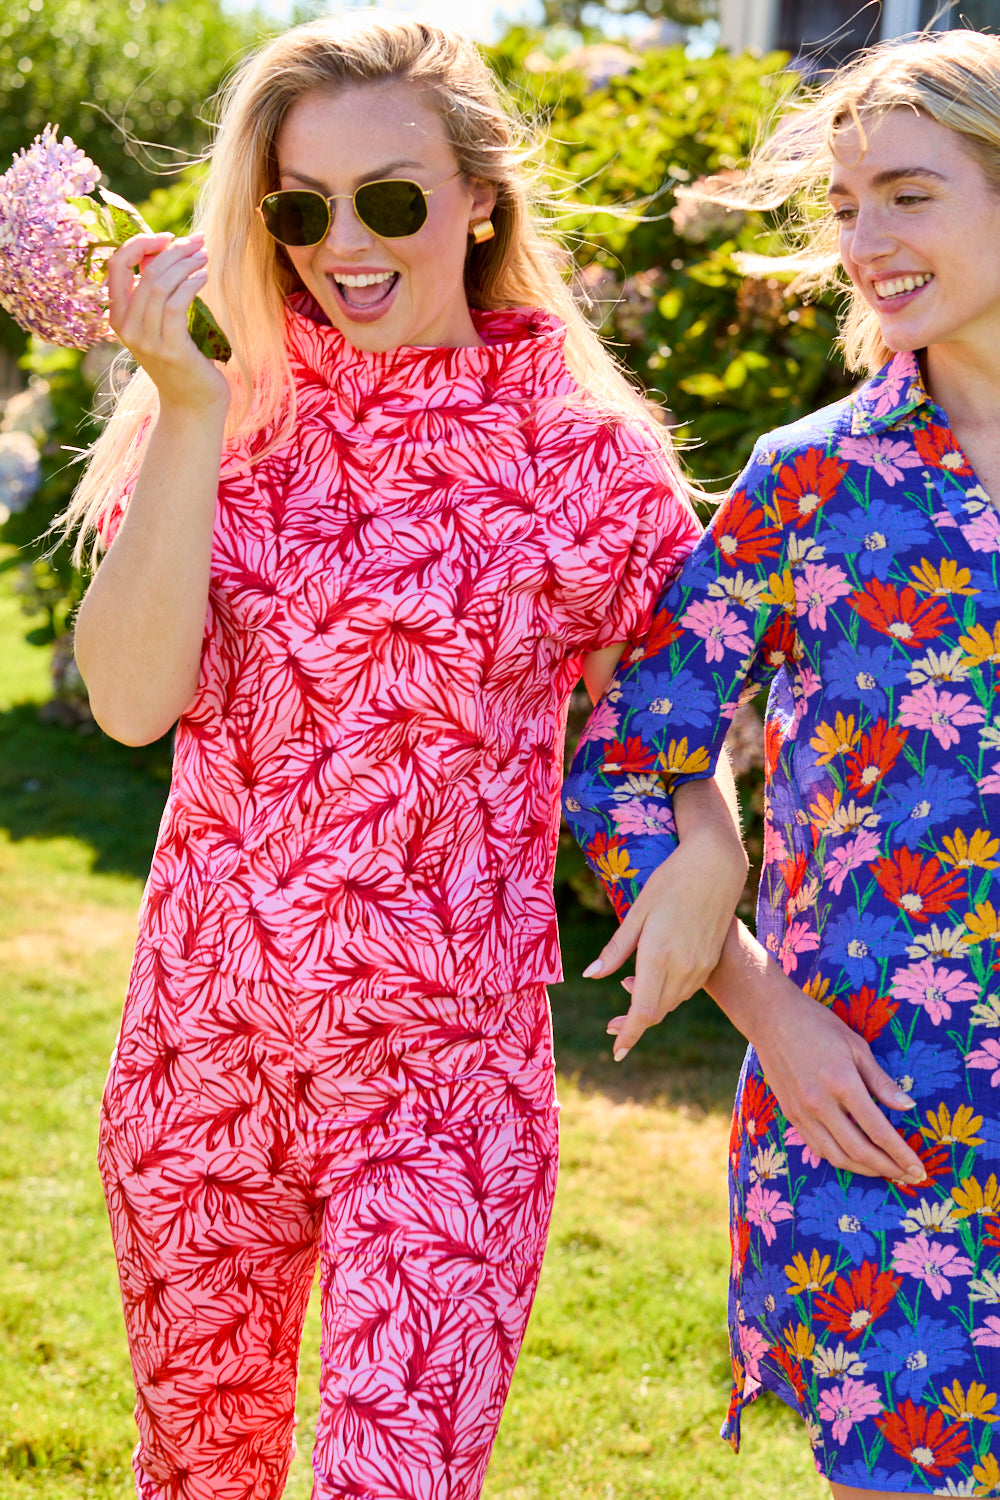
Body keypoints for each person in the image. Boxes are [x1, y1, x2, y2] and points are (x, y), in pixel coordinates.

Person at [62, 16, 748, 1500]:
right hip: (201, 1064)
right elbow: (127, 702)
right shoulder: (224, 409)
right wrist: (185, 406)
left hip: (447, 1084)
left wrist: (714, 844)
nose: (343, 245)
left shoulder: (584, 449)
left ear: (481, 196)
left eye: (391, 197)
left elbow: (683, 713)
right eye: (301, 209)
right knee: (201, 1478)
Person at [564, 26, 1000, 1500]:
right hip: (881, 1128)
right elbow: (627, 753)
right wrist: (764, 1010)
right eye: (847, 203)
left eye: (911, 196)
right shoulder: (809, 481)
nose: (867, 241)